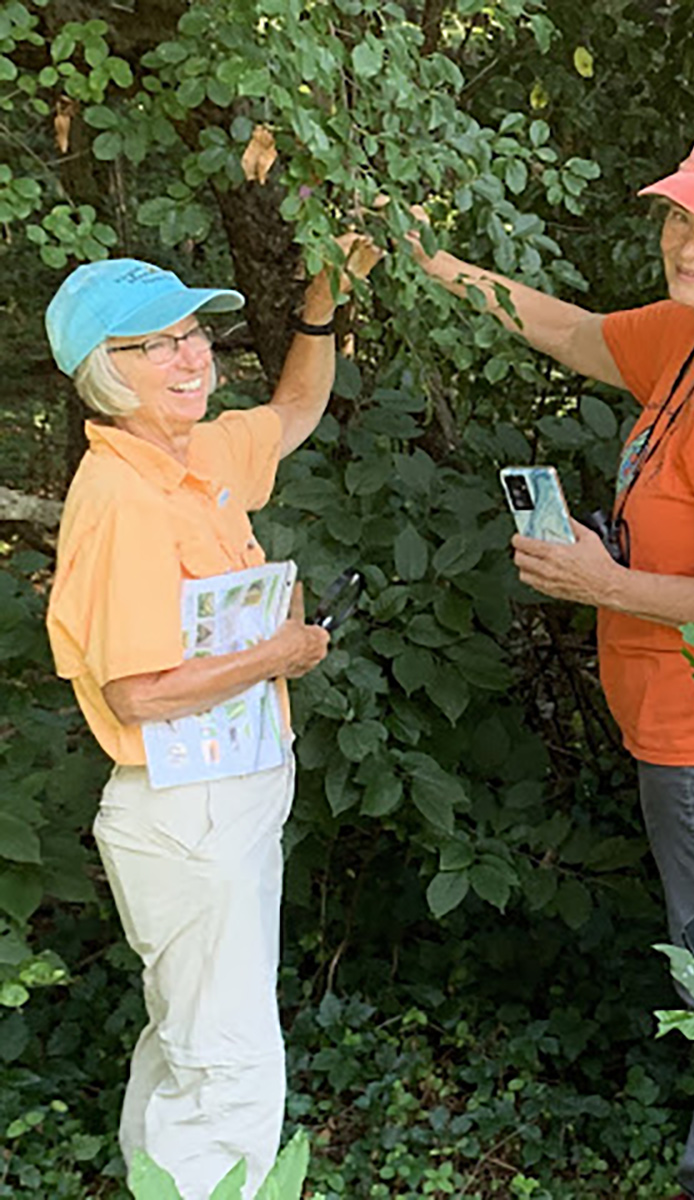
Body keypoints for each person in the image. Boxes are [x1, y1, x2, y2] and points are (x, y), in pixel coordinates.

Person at [411, 127, 694, 1198]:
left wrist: (603, 585)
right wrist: (434, 264)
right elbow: (571, 332)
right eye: (678, 215)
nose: (685, 241)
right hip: (687, 733)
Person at [44, 241, 377, 1197]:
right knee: (226, 1064)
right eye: (155, 346)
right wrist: (280, 654)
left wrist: (322, 302)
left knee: (188, 1041)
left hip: (225, 800)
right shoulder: (118, 497)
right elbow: (136, 693)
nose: (192, 360)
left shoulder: (194, 453)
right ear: (106, 373)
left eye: (193, 335)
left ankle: (155, 1182)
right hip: (185, 814)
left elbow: (296, 411)